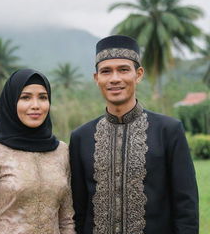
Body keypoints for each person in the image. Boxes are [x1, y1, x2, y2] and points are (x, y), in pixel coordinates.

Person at [69, 35, 199, 234]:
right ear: (97, 78)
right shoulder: (81, 137)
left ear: (138, 74)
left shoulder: (169, 131)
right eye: (106, 71)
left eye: (123, 69)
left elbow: (186, 208)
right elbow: (78, 210)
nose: (115, 78)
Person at [0, 69, 75, 234]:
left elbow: (67, 220)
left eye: (43, 97)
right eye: (25, 97)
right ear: (11, 102)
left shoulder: (61, 151)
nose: (36, 105)